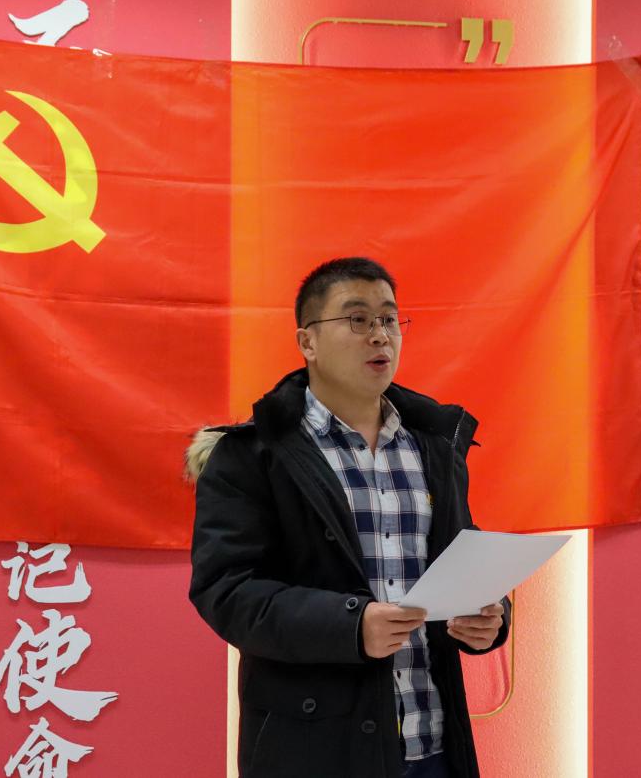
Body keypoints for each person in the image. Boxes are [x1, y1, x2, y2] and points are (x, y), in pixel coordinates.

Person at [187, 257, 510, 778]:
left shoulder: (434, 445)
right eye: (357, 319)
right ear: (307, 341)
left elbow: (463, 559)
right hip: (314, 750)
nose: (379, 335)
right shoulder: (254, 454)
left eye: (389, 319)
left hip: (432, 742)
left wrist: (490, 618)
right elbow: (226, 591)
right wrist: (350, 625)